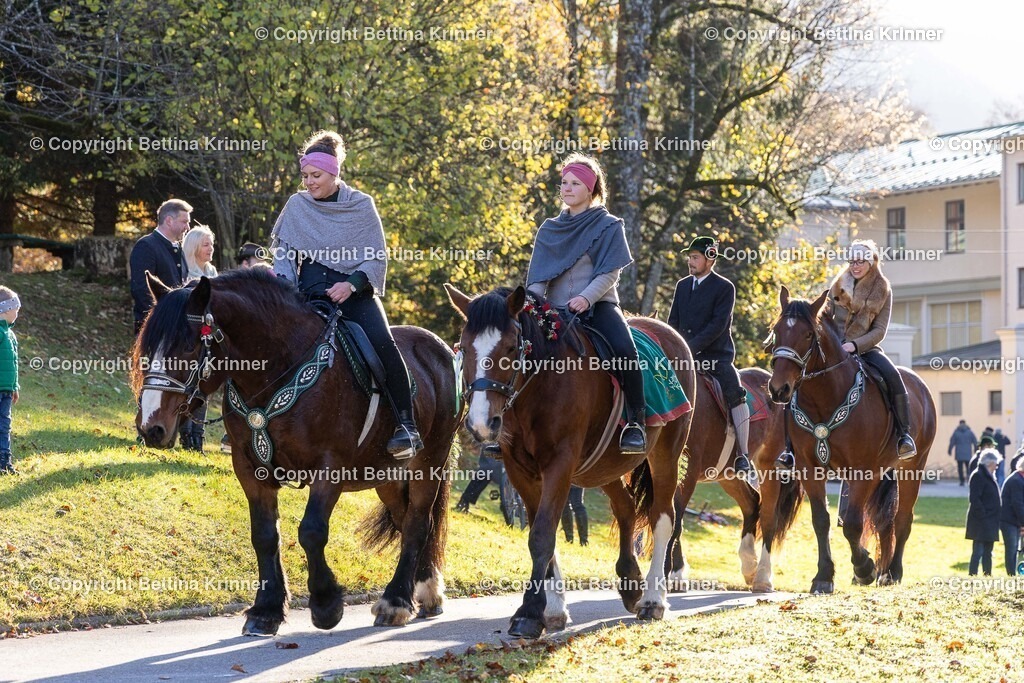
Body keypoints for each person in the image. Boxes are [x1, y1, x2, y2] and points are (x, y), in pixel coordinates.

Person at [270, 130, 421, 458]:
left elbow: (377, 256)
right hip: (307, 297)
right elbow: (283, 255)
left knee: (383, 345)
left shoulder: (361, 205)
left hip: (356, 295)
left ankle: (405, 425)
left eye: (316, 176)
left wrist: (351, 283)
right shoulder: (297, 205)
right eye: (305, 176)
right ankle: (258, 421)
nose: (309, 182)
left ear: (334, 172)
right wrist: (282, 289)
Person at [526, 153, 645, 454]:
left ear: (590, 189)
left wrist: (585, 298)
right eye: (564, 182)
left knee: (624, 350)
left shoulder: (608, 225)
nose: (566, 188)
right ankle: (510, 425)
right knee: (518, 347)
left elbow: (610, 272)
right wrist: (534, 305)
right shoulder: (549, 228)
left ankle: (635, 422)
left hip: (598, 305)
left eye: (575, 183)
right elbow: (538, 279)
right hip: (552, 310)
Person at [815, 239, 916, 460]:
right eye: (852, 261)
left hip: (864, 348)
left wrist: (854, 345)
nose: (855, 265)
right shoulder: (838, 284)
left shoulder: (883, 289)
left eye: (860, 261)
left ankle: (904, 435)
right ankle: (789, 448)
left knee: (893, 376)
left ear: (871, 263)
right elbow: (822, 317)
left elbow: (879, 330)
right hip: (833, 348)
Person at [669, 236, 755, 487]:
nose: (690, 262)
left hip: (715, 357)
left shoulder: (725, 287)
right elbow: (673, 322)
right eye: (689, 257)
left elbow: (717, 326)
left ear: (710, 258)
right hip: (683, 355)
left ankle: (742, 454)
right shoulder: (682, 286)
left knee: (735, 392)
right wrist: (672, 347)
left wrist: (688, 348)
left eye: (695, 257)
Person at [176, 224, 219, 453]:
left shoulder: (212, 273)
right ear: (194, 247)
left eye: (212, 244)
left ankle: (197, 438)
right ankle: (185, 436)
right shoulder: (184, 274)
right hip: (188, 341)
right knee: (187, 386)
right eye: (206, 244)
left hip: (208, 341)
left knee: (203, 386)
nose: (211, 248)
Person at [130, 199, 192, 334]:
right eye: (184, 222)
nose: (187, 227)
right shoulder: (146, 246)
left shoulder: (178, 249)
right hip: (154, 330)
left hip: (176, 330)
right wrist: (163, 320)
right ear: (169, 221)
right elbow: (142, 290)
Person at [966, 448, 1002, 576]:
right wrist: (984, 515)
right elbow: (975, 499)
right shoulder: (978, 475)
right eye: (996, 464)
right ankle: (973, 575)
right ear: (989, 463)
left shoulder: (989, 475)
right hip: (981, 521)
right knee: (978, 551)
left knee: (988, 552)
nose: (997, 467)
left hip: (990, 521)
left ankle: (987, 574)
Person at [0, 287, 20, 475]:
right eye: (15, 309)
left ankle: (5, 460)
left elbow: (13, 364)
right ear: (5, 310)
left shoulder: (10, 335)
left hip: (6, 389)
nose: (17, 312)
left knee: (5, 425)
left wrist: (14, 387)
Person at [999, 456, 1024, 576]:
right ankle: (1011, 575)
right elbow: (1018, 504)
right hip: (1008, 521)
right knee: (1011, 549)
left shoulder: (1019, 479)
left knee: (1014, 549)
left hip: (1015, 521)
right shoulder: (1016, 481)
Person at [949, 420, 978, 486]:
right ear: (965, 424)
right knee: (968, 467)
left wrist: (950, 450)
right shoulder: (970, 432)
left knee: (960, 468)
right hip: (968, 453)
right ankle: (969, 479)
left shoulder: (956, 432)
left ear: (959, 424)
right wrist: (976, 450)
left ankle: (961, 481)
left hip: (959, 453)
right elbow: (975, 441)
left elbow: (952, 442)